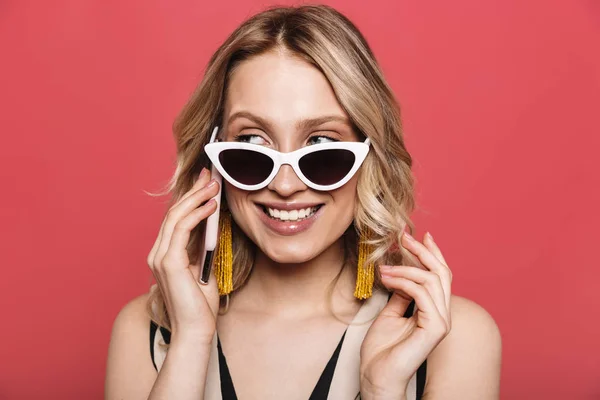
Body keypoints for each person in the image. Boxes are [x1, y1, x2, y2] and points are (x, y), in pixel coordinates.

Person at [104, 4, 502, 400]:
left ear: (371, 159)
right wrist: (190, 342)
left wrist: (382, 390)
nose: (285, 183)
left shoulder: (451, 339)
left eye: (322, 145)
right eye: (252, 143)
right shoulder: (149, 331)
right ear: (213, 158)